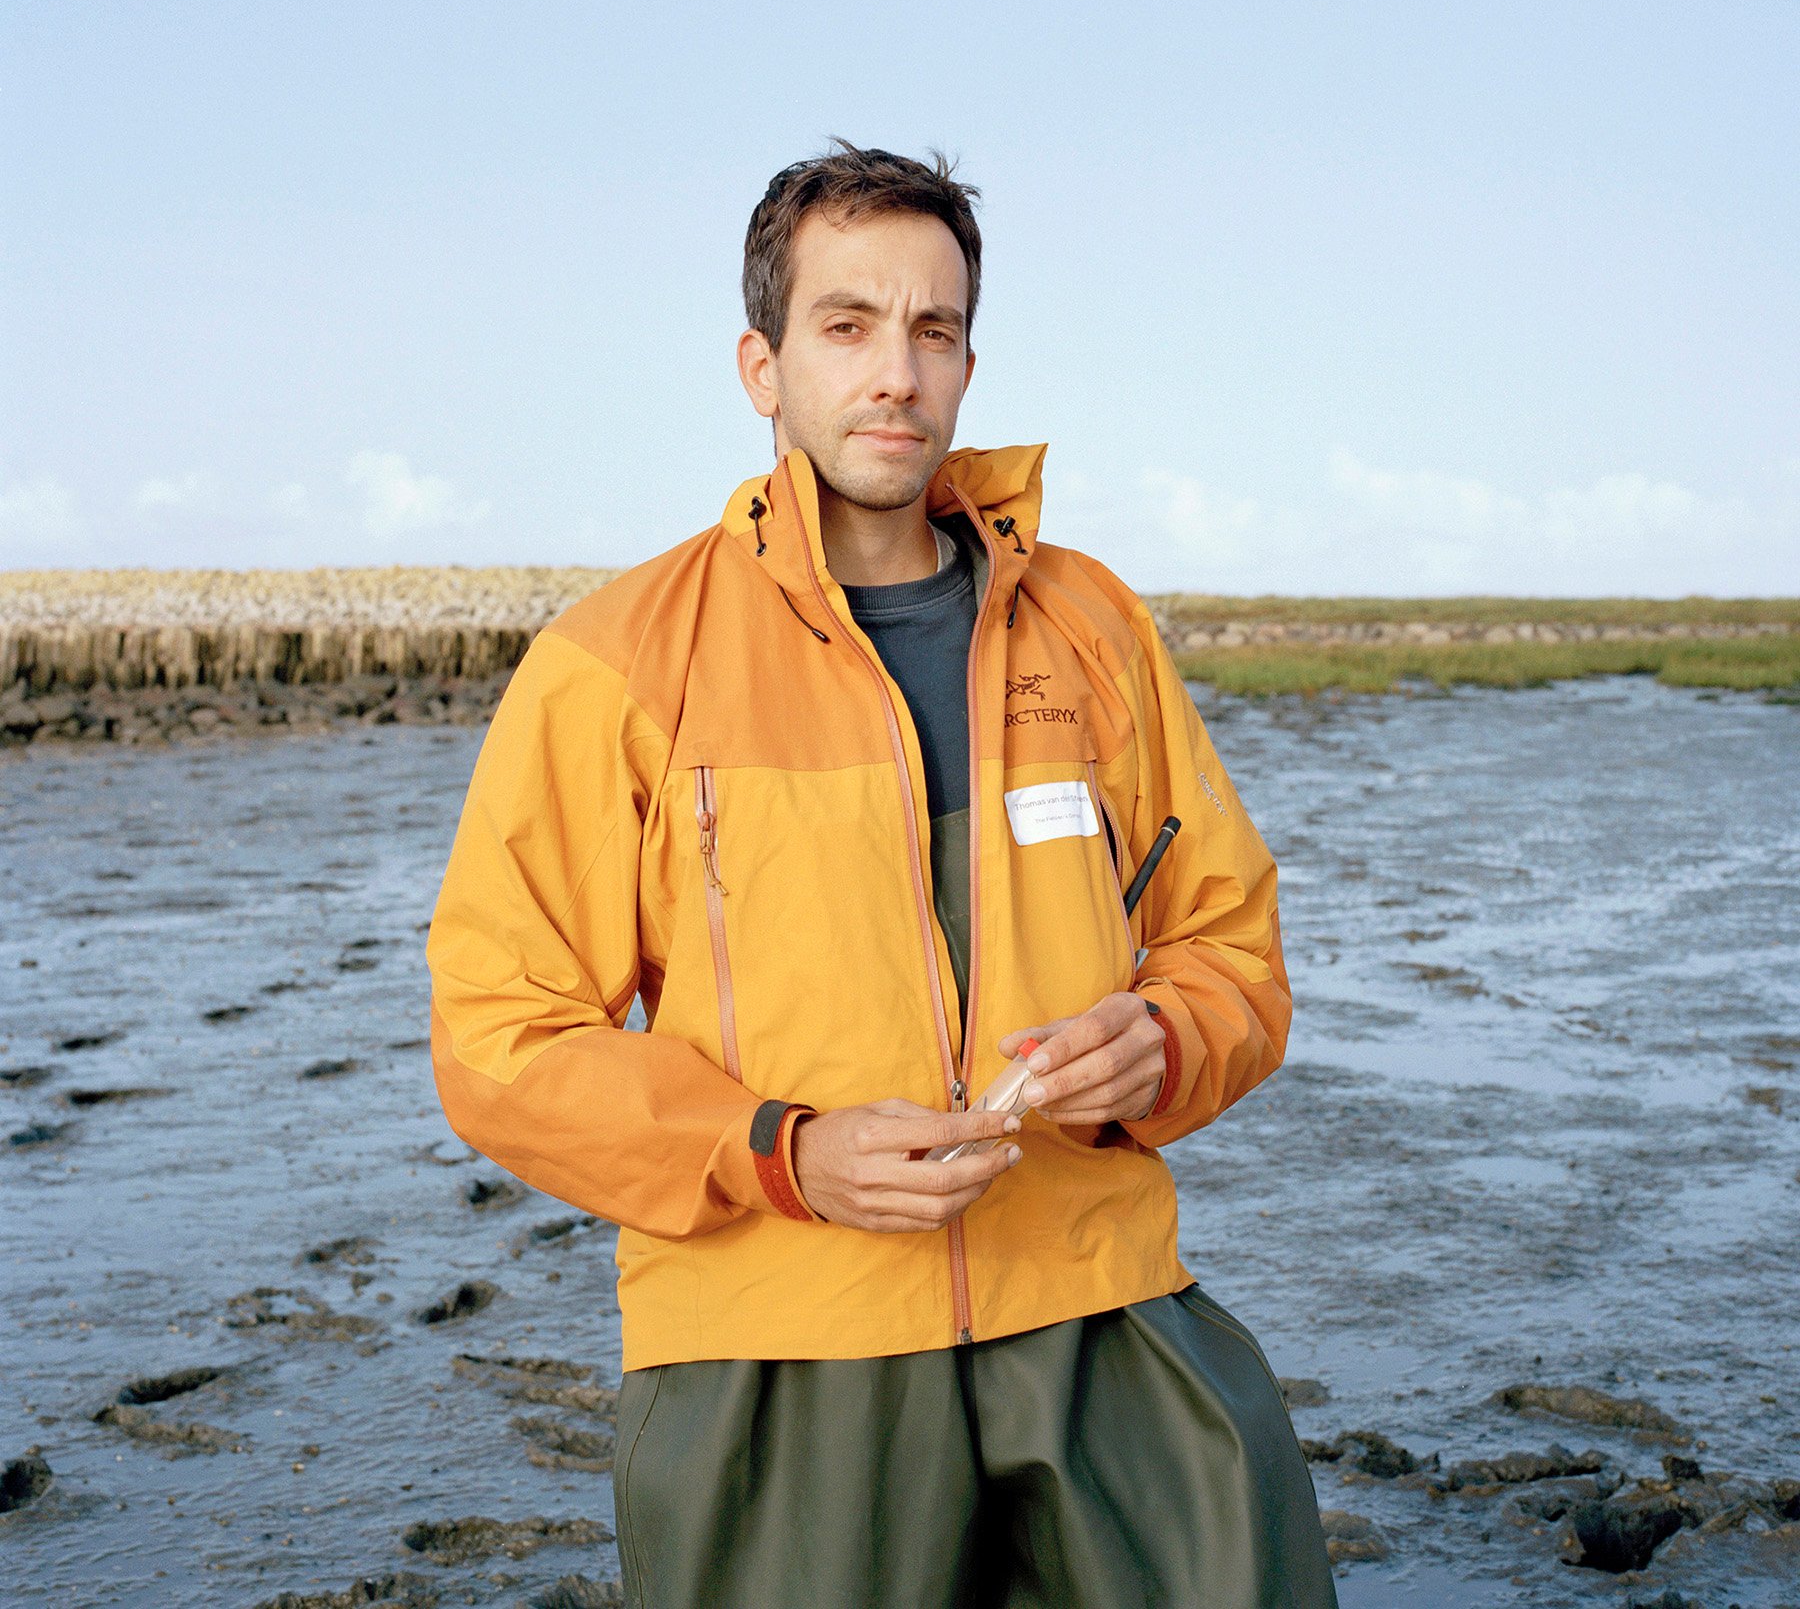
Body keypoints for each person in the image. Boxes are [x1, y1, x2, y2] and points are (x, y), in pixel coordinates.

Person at [427, 140, 1337, 1608]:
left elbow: (1231, 947)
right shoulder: (615, 662)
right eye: (846, 327)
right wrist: (785, 1151)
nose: (894, 373)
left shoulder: (1093, 628)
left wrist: (1164, 1040)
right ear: (762, 364)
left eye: (933, 331)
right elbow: (500, 1040)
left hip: (1094, 1298)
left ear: (970, 362)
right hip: (776, 1343)